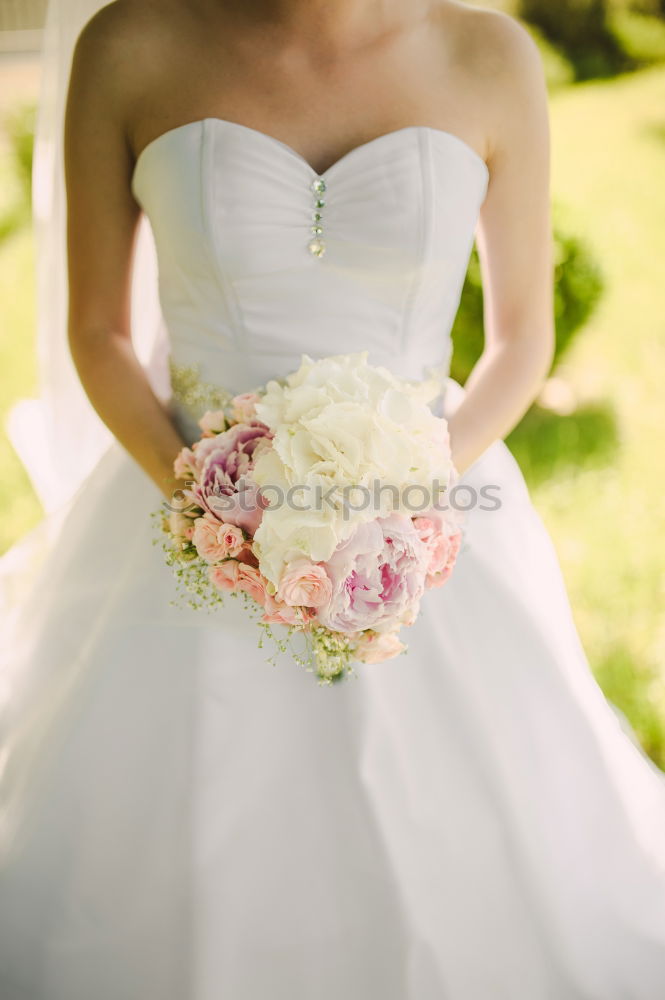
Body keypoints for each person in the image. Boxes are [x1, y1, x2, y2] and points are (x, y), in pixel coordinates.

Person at [1, 1, 665, 997]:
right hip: (180, 503)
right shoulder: (127, 44)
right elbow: (94, 331)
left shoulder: (486, 54)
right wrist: (209, 507)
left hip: (427, 517)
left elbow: (520, 335)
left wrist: (407, 493)